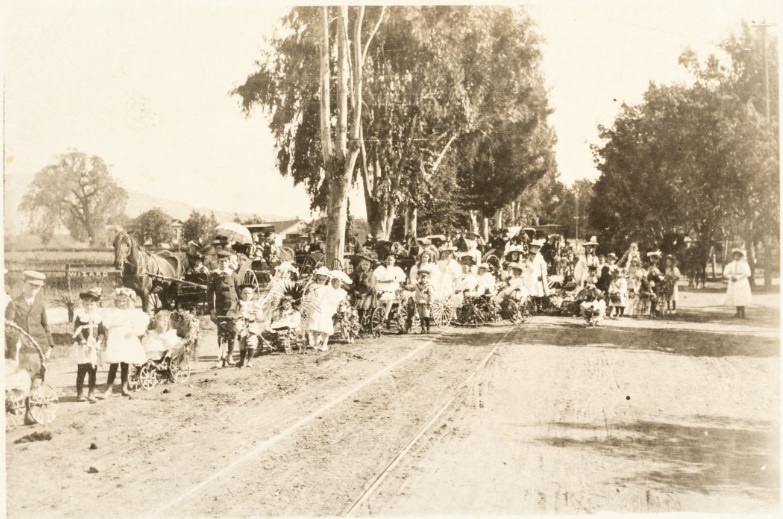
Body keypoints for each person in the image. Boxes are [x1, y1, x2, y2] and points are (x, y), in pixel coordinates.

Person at [102, 288, 149, 397]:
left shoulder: (131, 313)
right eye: (119, 301)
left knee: (125, 363)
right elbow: (106, 325)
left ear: (128, 301)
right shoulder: (112, 312)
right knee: (114, 363)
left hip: (127, 337)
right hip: (115, 338)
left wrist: (133, 331)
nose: (121, 303)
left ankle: (124, 386)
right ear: (116, 301)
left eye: (124, 301)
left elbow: (138, 325)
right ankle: (109, 388)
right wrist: (107, 337)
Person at [5, 271, 55, 368]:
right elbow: (9, 329)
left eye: (37, 286)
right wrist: (12, 352)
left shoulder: (40, 304)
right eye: (31, 285)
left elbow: (45, 325)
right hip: (22, 348)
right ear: (24, 284)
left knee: (39, 377)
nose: (34, 288)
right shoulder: (14, 304)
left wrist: (49, 345)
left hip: (40, 347)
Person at [71, 287, 105, 403]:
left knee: (92, 370)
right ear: (83, 305)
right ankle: (80, 393)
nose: (89, 307)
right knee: (81, 370)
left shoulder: (98, 317)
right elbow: (76, 330)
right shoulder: (80, 316)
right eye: (87, 304)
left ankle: (91, 393)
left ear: (96, 305)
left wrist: (99, 342)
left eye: (92, 304)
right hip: (83, 346)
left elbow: (101, 332)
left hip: (93, 347)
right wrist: (82, 341)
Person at [207, 250, 240, 367]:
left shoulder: (233, 275)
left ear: (229, 262)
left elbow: (239, 292)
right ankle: (221, 357)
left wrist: (242, 308)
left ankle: (230, 356)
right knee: (221, 334)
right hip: (220, 309)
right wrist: (211, 311)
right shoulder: (214, 276)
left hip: (233, 308)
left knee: (232, 332)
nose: (223, 264)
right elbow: (210, 295)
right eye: (221, 261)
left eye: (226, 261)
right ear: (218, 262)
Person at [372, 253, 407, 323]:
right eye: (388, 260)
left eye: (391, 260)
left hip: (392, 286)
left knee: (390, 297)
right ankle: (379, 312)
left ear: (394, 261)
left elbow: (402, 278)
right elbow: (376, 277)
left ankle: (386, 314)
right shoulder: (381, 268)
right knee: (380, 297)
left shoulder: (396, 269)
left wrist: (395, 280)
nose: (389, 261)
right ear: (385, 260)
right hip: (382, 285)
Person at [723, 248, 752, 318]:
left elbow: (747, 273)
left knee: (742, 297)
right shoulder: (730, 264)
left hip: (742, 282)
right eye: (735, 255)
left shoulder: (744, 264)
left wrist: (738, 278)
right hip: (733, 282)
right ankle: (738, 313)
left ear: (741, 256)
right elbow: (725, 273)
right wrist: (731, 277)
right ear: (733, 256)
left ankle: (743, 313)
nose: (736, 257)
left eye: (738, 255)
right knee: (735, 297)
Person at [351, 252, 376, 326]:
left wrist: (365, 282)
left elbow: (371, 287)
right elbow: (352, 282)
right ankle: (352, 320)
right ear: (361, 265)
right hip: (357, 292)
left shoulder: (371, 274)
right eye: (363, 264)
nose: (365, 266)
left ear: (370, 266)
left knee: (361, 304)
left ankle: (360, 322)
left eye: (367, 265)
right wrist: (354, 290)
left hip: (367, 294)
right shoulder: (357, 273)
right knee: (350, 302)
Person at [526, 239, 550, 312]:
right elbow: (529, 265)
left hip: (539, 275)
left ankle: (539, 307)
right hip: (531, 276)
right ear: (532, 247)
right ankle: (531, 307)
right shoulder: (529, 256)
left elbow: (543, 265)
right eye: (535, 247)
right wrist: (534, 272)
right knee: (532, 291)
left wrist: (543, 274)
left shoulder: (540, 256)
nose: (536, 249)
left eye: (537, 247)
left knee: (539, 291)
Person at [413, 266, 437, 334]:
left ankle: (428, 328)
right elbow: (411, 288)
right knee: (421, 316)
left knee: (426, 315)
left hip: (426, 303)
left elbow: (431, 295)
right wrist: (405, 287)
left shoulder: (429, 286)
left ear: (427, 278)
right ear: (419, 278)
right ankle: (423, 329)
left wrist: (430, 302)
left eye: (424, 278)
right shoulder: (417, 285)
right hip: (419, 302)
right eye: (421, 277)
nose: (423, 279)